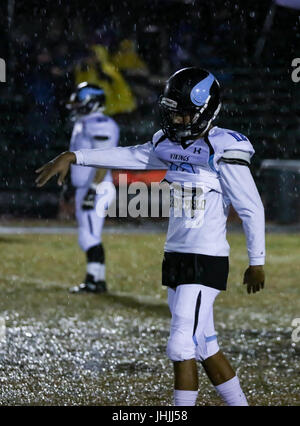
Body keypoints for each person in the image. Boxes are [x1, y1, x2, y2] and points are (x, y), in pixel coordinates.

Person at [35, 67, 265, 405]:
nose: (177, 119)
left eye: (185, 112)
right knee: (203, 344)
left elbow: (251, 208)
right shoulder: (167, 143)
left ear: (206, 110)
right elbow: (130, 154)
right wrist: (75, 156)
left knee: (179, 345)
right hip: (176, 253)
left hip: (206, 257)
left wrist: (256, 261)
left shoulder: (223, 148)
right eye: (173, 111)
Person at [66, 82, 119, 293]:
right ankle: (97, 279)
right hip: (87, 186)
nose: (76, 106)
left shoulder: (100, 123)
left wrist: (93, 188)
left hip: (97, 186)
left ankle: (93, 280)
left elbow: (103, 160)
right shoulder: (85, 122)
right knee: (89, 234)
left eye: (80, 102)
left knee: (88, 236)